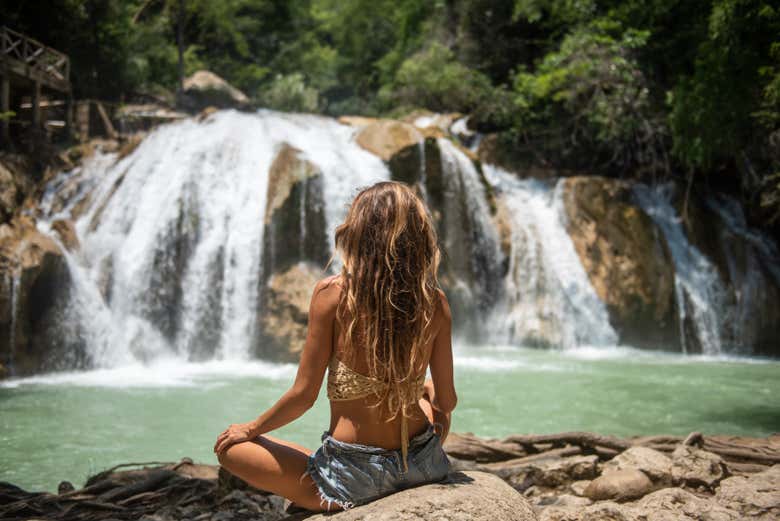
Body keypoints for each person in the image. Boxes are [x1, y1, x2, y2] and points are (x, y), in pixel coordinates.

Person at [213, 180, 457, 512]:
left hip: (352, 477)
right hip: (423, 464)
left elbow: (303, 396)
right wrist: (427, 395)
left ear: (357, 231)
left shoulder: (333, 294)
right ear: (418, 236)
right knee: (429, 394)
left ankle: (326, 492)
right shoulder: (435, 301)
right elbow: (448, 401)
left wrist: (251, 428)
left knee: (230, 449)